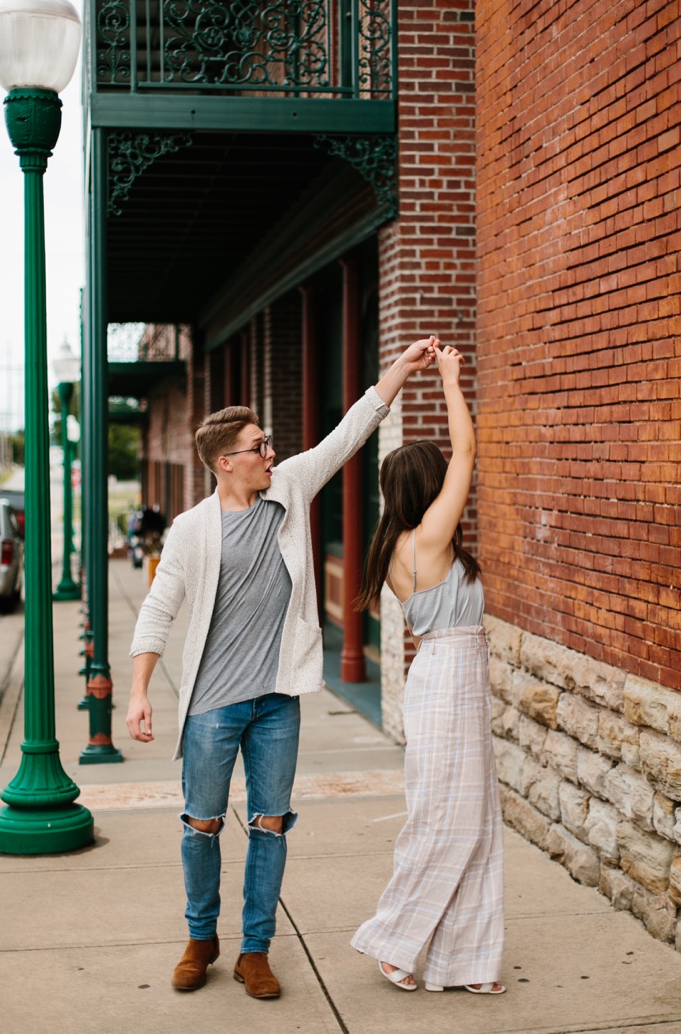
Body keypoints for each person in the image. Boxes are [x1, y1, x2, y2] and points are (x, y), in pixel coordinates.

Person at [125, 337, 439, 999]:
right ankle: (200, 936)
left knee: (270, 823)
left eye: (270, 445)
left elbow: (350, 431)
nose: (272, 453)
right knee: (202, 824)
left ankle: (255, 949)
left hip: (276, 699)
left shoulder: (290, 489)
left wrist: (402, 370)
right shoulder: (191, 528)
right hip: (212, 702)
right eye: (260, 447)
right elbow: (158, 606)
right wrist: (140, 691)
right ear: (225, 462)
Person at [350, 342, 505, 995]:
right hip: (445, 678)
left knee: (475, 818)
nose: (451, 484)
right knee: (449, 817)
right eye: (439, 479)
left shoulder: (395, 541)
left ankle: (466, 960)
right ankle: (395, 940)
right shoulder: (425, 541)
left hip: (452, 678)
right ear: (428, 487)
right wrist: (448, 377)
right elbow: (468, 453)